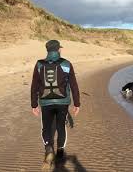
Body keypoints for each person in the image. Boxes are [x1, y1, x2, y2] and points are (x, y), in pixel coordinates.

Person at [30, 40, 80, 169]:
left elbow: (34, 85)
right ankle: (60, 152)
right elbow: (74, 85)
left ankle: (48, 149)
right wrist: (77, 103)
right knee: (60, 127)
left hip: (45, 102)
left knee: (46, 127)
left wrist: (34, 104)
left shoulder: (39, 64)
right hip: (62, 102)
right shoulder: (66, 64)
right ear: (58, 50)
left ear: (47, 50)